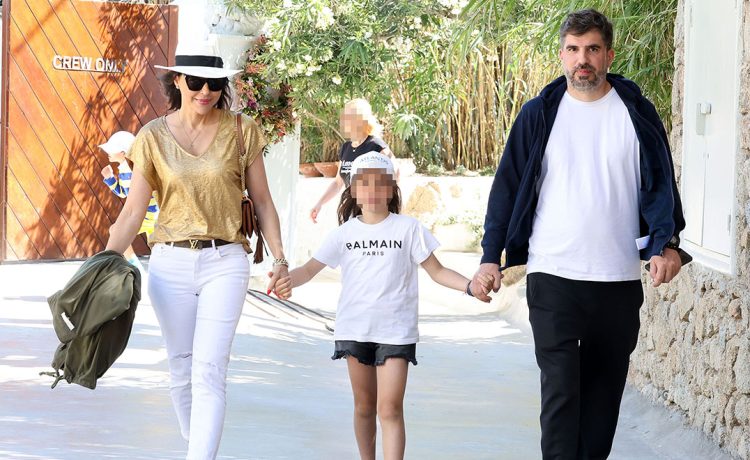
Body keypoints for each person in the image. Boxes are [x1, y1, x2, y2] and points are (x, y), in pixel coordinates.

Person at [470, 9, 686, 459]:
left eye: (591, 49)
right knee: (561, 394)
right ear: (562, 55)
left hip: (617, 280)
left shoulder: (637, 114)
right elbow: (506, 188)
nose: (581, 59)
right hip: (553, 276)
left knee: (602, 401)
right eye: (572, 49)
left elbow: (661, 185)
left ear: (609, 55)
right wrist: (492, 255)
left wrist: (666, 244)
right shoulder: (538, 115)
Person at [104, 41, 289, 460]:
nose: (206, 91)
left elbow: (263, 202)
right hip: (169, 263)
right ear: (176, 81)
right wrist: (102, 264)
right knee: (181, 368)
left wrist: (280, 259)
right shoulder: (152, 136)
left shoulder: (242, 130)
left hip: (226, 260)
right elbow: (133, 211)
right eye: (196, 81)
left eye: (215, 84)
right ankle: (198, 448)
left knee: (209, 371)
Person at [274, 152, 492, 460]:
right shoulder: (343, 234)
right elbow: (309, 270)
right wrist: (286, 280)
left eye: (381, 183)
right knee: (364, 407)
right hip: (354, 330)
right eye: (365, 183)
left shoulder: (409, 229)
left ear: (391, 189)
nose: (373, 189)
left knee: (389, 408)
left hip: (396, 332)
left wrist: (470, 286)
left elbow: (438, 271)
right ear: (353, 190)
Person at [309, 98, 398, 223]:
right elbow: (338, 182)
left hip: (372, 215)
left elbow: (395, 173)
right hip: (350, 212)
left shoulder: (376, 145)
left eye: (350, 116)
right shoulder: (346, 148)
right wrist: (320, 203)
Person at [99, 131, 159, 270]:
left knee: (116, 231)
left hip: (146, 214)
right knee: (156, 247)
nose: (108, 153)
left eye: (111, 150)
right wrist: (110, 178)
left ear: (123, 153)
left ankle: (135, 266)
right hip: (149, 214)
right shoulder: (125, 168)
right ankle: (142, 268)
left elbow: (130, 193)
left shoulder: (132, 169)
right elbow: (124, 192)